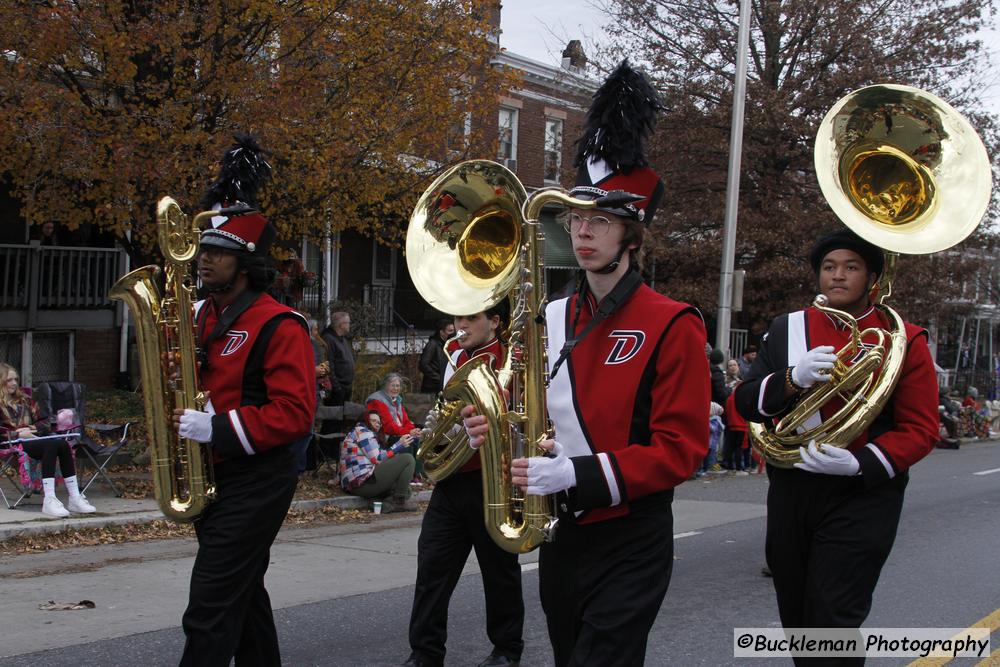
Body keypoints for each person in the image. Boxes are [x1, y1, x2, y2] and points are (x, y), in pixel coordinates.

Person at [467, 61, 709, 666]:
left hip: (632, 533)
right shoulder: (549, 316)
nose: (582, 232)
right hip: (564, 533)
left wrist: (578, 473)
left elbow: (682, 449)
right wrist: (494, 427)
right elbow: (531, 413)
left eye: (600, 221)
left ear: (634, 235)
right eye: (577, 219)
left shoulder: (673, 321)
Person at [734, 228, 938, 664]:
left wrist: (860, 463)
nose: (838, 276)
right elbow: (745, 403)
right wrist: (793, 378)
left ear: (871, 277)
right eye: (829, 267)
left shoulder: (905, 337)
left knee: (833, 617)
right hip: (793, 486)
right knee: (797, 615)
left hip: (862, 493)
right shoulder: (786, 328)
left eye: (851, 267)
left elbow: (921, 428)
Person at [173, 134, 316, 666]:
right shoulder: (203, 315)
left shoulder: (280, 324)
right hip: (216, 475)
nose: (205, 261)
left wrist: (216, 428)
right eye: (205, 251)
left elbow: (296, 415)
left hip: (258, 477)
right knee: (244, 596)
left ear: (246, 262)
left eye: (218, 254)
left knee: (210, 605)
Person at [404, 302, 524, 667]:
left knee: (499, 572)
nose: (461, 326)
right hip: (453, 481)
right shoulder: (453, 354)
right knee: (432, 569)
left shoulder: (510, 359)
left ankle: (507, 649)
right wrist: (438, 432)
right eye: (458, 318)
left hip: (492, 481)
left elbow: (524, 420)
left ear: (495, 321)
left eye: (471, 318)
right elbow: (448, 407)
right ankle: (425, 653)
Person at [0, 362, 96, 518]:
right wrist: (17, 434)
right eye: (9, 380)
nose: (14, 383)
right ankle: (49, 499)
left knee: (62, 443)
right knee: (51, 444)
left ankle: (74, 497)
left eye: (16, 380)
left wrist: (31, 429)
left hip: (33, 438)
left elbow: (45, 421)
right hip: (12, 443)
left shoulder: (25, 400)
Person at [338, 410, 417, 512]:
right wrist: (399, 445)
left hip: (355, 485)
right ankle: (399, 503)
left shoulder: (357, 433)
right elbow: (378, 459)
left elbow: (377, 457)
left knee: (406, 490)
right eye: (373, 421)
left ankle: (378, 502)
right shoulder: (363, 432)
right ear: (365, 420)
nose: (377, 424)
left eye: (379, 422)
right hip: (362, 484)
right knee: (408, 459)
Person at [321, 310, 355, 407]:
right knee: (334, 419)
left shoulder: (342, 338)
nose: (349, 325)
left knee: (343, 418)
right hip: (337, 389)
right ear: (341, 325)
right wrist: (337, 387)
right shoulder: (329, 339)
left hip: (346, 387)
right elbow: (329, 364)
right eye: (348, 323)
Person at [419, 319, 455, 394]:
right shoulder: (432, 344)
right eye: (450, 331)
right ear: (441, 332)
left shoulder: (449, 344)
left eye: (453, 330)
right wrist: (439, 378)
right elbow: (423, 365)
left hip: (442, 385)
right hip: (432, 387)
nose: (453, 333)